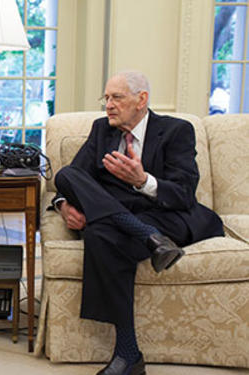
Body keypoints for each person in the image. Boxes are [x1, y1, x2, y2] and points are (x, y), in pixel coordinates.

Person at [51, 71, 223, 375]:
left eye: (117, 97)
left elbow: (184, 192)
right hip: (124, 216)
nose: (109, 105)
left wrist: (143, 181)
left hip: (165, 214)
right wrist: (63, 206)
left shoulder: (175, 131)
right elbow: (73, 179)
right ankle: (147, 237)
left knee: (99, 233)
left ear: (141, 100)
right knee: (65, 175)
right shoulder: (101, 129)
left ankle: (127, 354)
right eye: (106, 98)